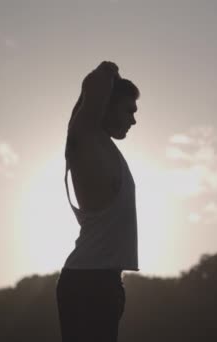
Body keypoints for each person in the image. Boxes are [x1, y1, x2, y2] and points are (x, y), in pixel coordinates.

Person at [56, 61, 140, 342]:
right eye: (128, 110)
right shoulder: (85, 136)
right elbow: (94, 86)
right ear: (107, 104)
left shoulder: (106, 149)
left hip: (105, 282)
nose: (133, 119)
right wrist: (110, 70)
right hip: (87, 282)